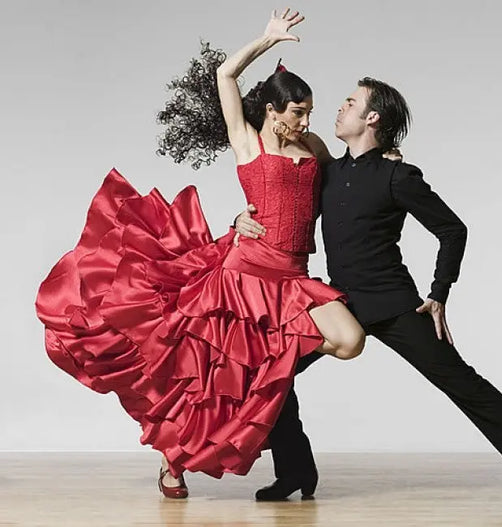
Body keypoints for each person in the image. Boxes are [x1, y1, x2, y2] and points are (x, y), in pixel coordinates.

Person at [35, 8, 368, 500]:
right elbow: (225, 75)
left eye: (309, 112)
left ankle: (267, 362)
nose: (305, 121)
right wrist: (268, 39)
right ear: (273, 112)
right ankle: (174, 461)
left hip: (293, 279)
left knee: (349, 340)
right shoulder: (248, 143)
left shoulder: (314, 146)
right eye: (297, 112)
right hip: (243, 276)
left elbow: (348, 178)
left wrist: (384, 158)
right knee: (206, 384)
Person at [235, 78, 502, 502]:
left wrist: (439, 293)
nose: (339, 109)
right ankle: (296, 471)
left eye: (350, 103)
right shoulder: (328, 171)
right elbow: (281, 197)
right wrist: (239, 220)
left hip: (393, 305)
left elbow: (452, 229)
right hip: (337, 306)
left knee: (462, 383)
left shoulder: (398, 175)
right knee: (272, 373)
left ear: (371, 118)